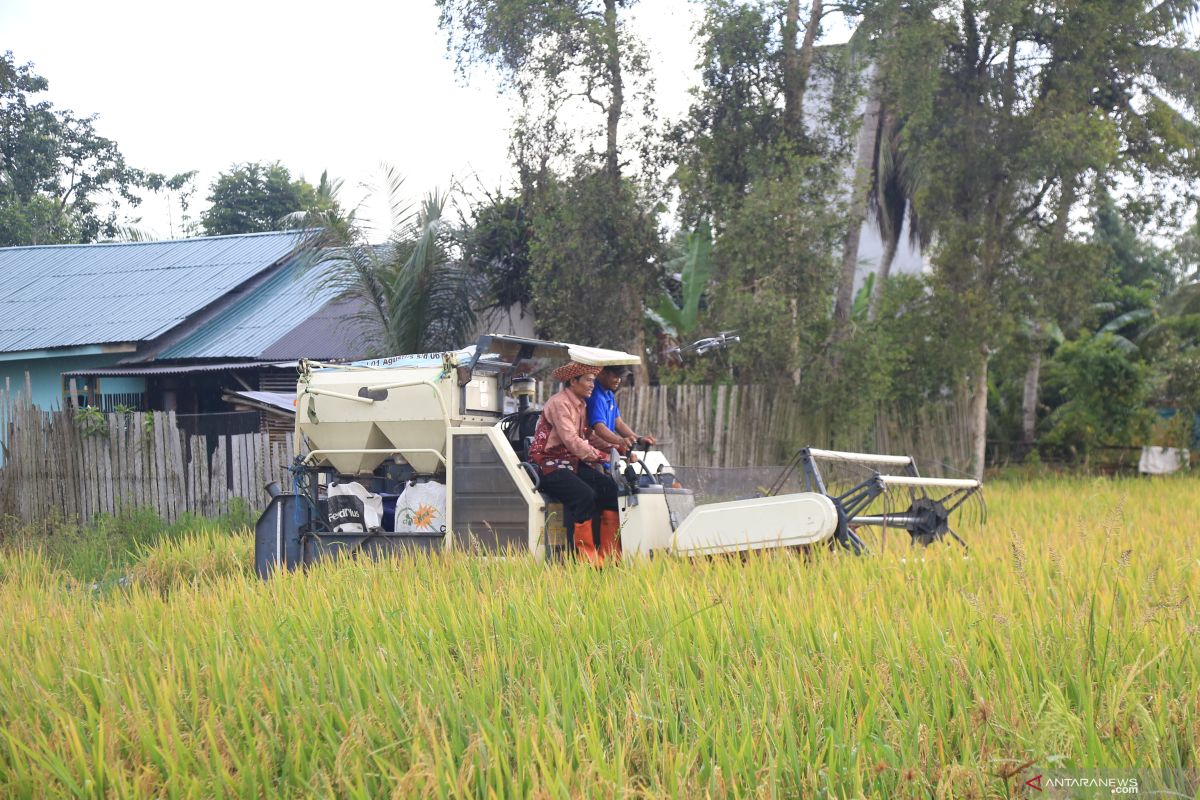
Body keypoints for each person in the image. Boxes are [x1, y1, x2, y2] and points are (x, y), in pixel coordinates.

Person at [528, 362, 619, 566]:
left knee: (611, 490)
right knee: (584, 495)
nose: (592, 385)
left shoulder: (582, 404)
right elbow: (571, 440)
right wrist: (602, 456)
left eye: (593, 381)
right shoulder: (560, 403)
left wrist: (618, 447)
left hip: (570, 463)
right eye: (588, 380)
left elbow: (587, 437)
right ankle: (586, 559)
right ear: (573, 381)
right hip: (548, 465)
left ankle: (611, 555)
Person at [585, 365, 656, 562]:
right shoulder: (596, 396)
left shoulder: (608, 394)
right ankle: (605, 554)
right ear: (602, 374)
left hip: (610, 456)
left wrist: (637, 438)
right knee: (608, 497)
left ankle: (613, 553)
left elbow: (617, 423)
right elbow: (598, 427)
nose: (618, 380)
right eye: (615, 375)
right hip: (594, 456)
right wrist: (619, 442)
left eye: (621, 376)